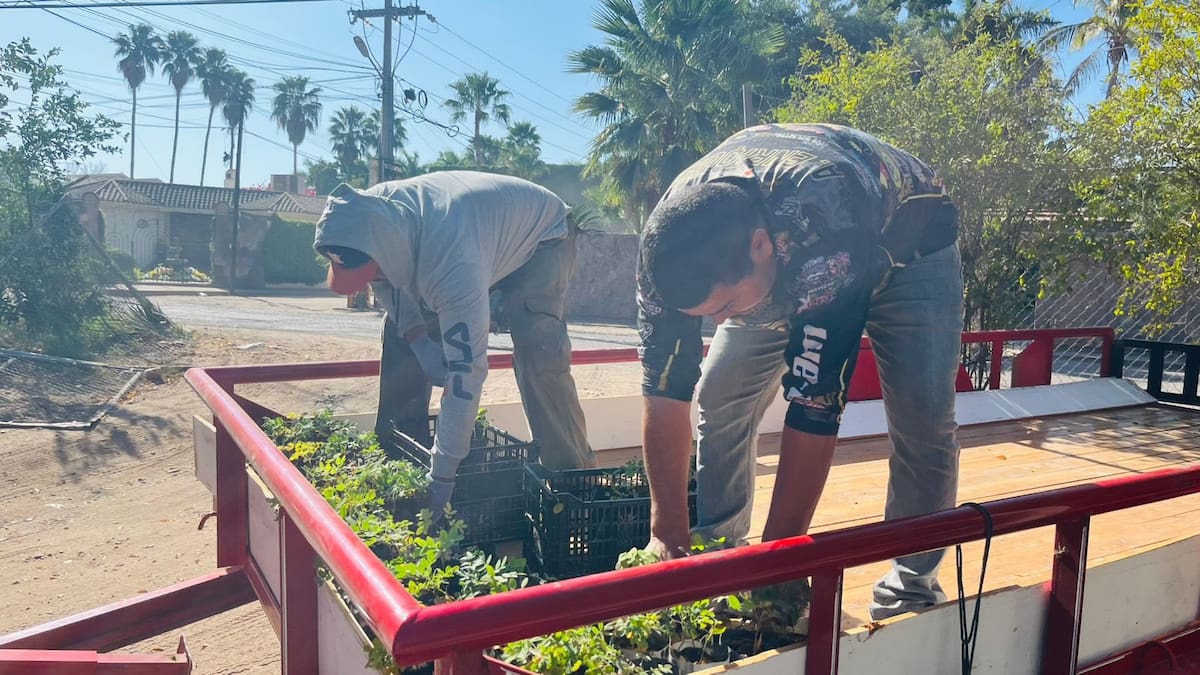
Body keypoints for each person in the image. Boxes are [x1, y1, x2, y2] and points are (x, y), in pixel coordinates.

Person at [636, 123, 962, 620]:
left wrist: (779, 563)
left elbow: (815, 402)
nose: (718, 323)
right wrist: (666, 535)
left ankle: (912, 584)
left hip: (908, 242)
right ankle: (716, 552)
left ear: (760, 246)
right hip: (796, 258)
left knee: (923, 414)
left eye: (723, 307)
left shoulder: (828, 214)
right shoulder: (664, 245)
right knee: (722, 394)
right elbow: (663, 393)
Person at [314, 171, 598, 514]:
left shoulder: (452, 262)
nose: (367, 285)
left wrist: (442, 479)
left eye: (371, 274)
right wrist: (418, 340)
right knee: (400, 337)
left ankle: (573, 485)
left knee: (539, 353)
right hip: (474, 233)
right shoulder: (362, 216)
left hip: (542, 237)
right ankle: (399, 467)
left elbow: (467, 375)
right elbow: (389, 286)